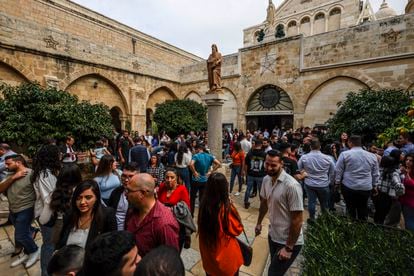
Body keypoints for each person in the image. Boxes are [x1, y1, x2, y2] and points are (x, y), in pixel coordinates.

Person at [255, 150, 304, 276]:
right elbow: (264, 203)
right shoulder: (266, 180)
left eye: (273, 165)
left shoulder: (292, 186)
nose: (269, 168)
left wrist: (288, 248)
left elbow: (297, 220)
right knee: (275, 269)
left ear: (281, 164)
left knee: (273, 273)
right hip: (273, 235)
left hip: (288, 241)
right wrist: (259, 223)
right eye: (267, 164)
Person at [198, 173, 244, 276]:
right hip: (225, 259)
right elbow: (237, 229)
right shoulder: (225, 209)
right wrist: (231, 206)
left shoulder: (203, 206)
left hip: (209, 258)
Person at [125, 173, 179, 257]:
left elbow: (170, 261)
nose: (125, 194)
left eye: (129, 191)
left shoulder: (164, 224)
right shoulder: (132, 210)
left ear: (142, 193)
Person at [2, 154, 40, 268]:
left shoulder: (31, 174)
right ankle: (27, 252)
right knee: (23, 232)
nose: (6, 166)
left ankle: (34, 251)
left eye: (8, 163)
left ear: (18, 162)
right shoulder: (10, 174)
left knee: (21, 236)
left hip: (26, 209)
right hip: (13, 209)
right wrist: (13, 177)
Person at [56, 180, 117, 249]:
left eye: (88, 198)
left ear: (96, 198)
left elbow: (112, 245)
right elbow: (61, 241)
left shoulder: (107, 215)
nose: (82, 202)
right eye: (79, 198)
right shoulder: (69, 214)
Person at [31, 144, 61, 276]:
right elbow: (49, 199)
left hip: (47, 213)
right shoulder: (45, 175)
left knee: (51, 244)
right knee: (49, 245)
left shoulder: (47, 171)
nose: (60, 155)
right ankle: (45, 273)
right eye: (58, 154)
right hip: (47, 214)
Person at [335, 135, 380, 221]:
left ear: (350, 143)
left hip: (348, 186)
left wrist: (337, 183)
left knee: (350, 208)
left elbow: (338, 170)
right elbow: (375, 173)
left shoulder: (345, 154)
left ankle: (352, 226)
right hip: (365, 187)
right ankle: (361, 228)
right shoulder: (372, 156)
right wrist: (375, 185)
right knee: (363, 208)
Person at [298, 138, 335, 220]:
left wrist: (304, 173)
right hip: (324, 184)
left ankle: (312, 218)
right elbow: (333, 171)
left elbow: (299, 168)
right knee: (324, 203)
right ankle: (324, 220)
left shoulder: (304, 157)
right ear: (320, 147)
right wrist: (330, 181)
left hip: (309, 183)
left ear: (310, 147)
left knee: (311, 202)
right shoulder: (328, 158)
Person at [157, 167, 192, 250]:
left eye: (172, 177)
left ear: (177, 178)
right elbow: (157, 202)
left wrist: (171, 210)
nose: (169, 180)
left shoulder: (182, 189)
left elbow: (186, 209)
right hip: (163, 223)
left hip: (178, 225)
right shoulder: (162, 187)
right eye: (167, 177)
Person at [50, 165, 83, 245]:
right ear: (78, 176)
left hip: (60, 226)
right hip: (79, 225)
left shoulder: (56, 193)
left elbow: (43, 219)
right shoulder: (83, 191)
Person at [189, 143, 221, 216]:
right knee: (202, 198)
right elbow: (219, 164)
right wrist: (211, 172)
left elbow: (191, 164)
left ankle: (192, 214)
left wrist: (194, 172)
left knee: (192, 197)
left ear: (199, 149)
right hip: (205, 180)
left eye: (195, 149)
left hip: (196, 180)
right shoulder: (209, 156)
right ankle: (201, 213)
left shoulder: (196, 156)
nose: (195, 151)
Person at [373, 156, 405, 224]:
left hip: (377, 194)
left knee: (377, 212)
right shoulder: (393, 173)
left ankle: (375, 225)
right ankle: (379, 227)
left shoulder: (380, 170)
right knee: (382, 214)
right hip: (386, 197)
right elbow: (398, 185)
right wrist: (399, 194)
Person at [108, 163, 139, 231]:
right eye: (124, 176)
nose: (126, 180)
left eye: (131, 176)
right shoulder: (116, 192)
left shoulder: (141, 196)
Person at [244, 139, 266, 209]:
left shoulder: (250, 153)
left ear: (255, 144)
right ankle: (262, 206)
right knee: (261, 191)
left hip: (251, 174)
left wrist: (246, 173)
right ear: (261, 145)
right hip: (260, 175)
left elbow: (246, 164)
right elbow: (266, 165)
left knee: (248, 189)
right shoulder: (264, 154)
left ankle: (246, 202)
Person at [400, 153, 414, 230]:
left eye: (411, 160)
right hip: (403, 200)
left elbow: (412, 183)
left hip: (411, 202)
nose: (408, 162)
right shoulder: (403, 169)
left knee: (410, 223)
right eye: (407, 160)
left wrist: (407, 175)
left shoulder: (409, 172)